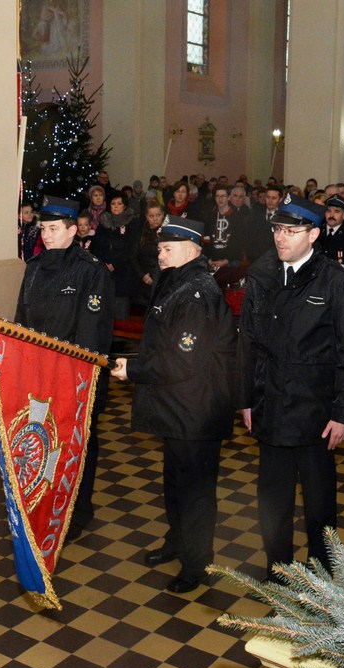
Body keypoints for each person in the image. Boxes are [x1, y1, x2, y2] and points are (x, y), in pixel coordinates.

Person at [238, 195, 344, 578]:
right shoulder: (262, 274)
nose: (281, 238)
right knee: (272, 502)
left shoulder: (336, 279)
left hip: (316, 413)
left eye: (291, 231)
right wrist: (246, 398)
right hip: (271, 406)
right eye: (277, 229)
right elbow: (247, 342)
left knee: (319, 507)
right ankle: (279, 573)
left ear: (313, 234)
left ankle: (324, 582)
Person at [111, 217, 236, 594]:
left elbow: (183, 361)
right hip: (177, 406)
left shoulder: (197, 293)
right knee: (176, 483)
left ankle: (197, 564)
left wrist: (132, 369)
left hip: (196, 410)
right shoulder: (177, 282)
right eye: (160, 248)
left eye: (167, 249)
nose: (160, 254)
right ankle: (178, 542)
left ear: (192, 250)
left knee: (196, 490)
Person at [14, 195, 114, 541]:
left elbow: (92, 334)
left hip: (76, 380)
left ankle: (78, 509)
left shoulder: (91, 272)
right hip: (40, 379)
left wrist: (71, 376)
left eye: (54, 229)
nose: (47, 235)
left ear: (74, 230)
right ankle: (46, 500)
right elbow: (21, 325)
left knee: (78, 446)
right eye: (43, 228)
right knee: (45, 441)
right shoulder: (34, 269)